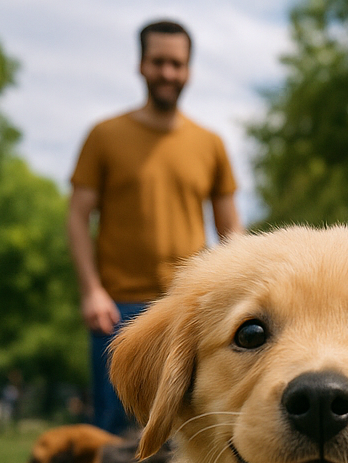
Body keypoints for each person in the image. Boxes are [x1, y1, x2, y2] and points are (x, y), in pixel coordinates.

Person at [66, 19, 241, 435]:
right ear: (141, 65)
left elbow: (231, 230)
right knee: (115, 437)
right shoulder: (104, 136)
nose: (167, 73)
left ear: (188, 70)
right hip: (117, 311)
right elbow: (77, 216)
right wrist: (91, 291)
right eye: (158, 62)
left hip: (187, 308)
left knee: (189, 434)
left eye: (176, 64)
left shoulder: (210, 143)